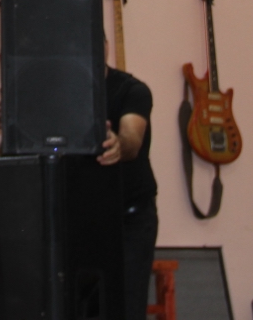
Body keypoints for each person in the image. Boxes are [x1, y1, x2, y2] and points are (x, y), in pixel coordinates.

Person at [97, 63, 157, 320]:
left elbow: (132, 138)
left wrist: (119, 145)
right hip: (84, 219)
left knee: (127, 308)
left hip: (130, 220)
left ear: (104, 47)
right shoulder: (62, 88)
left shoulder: (133, 90)